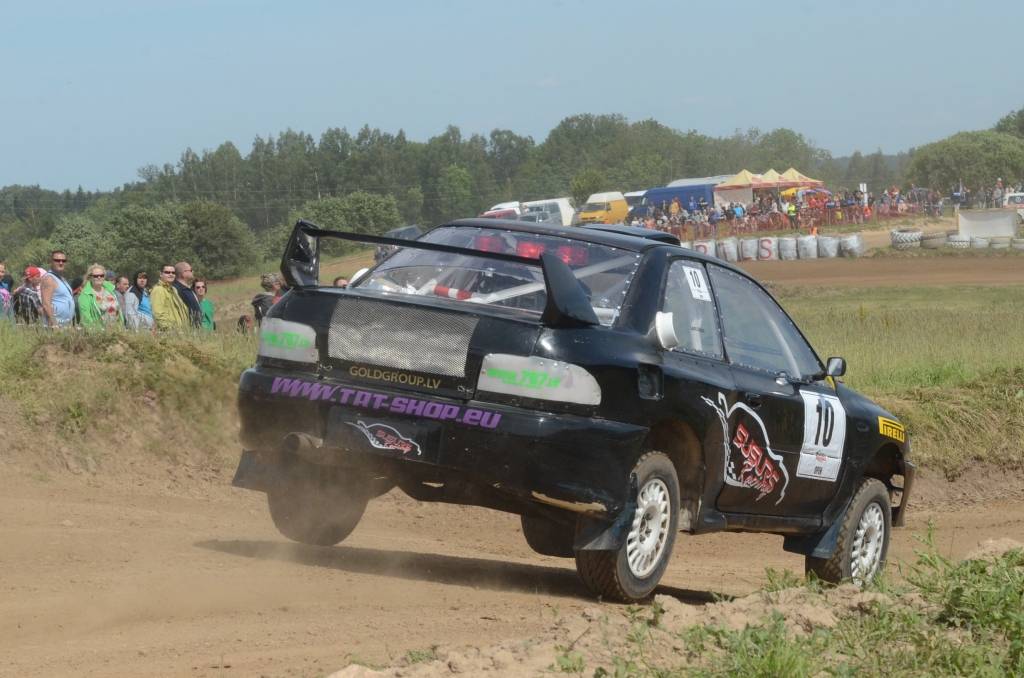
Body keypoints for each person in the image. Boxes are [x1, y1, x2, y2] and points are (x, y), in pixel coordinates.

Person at [78, 264, 122, 329]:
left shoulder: (110, 290)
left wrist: (121, 328)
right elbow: (86, 320)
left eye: (102, 275)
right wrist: (99, 332)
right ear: (90, 277)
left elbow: (119, 312)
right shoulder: (85, 295)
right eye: (96, 276)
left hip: (116, 330)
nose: (99, 277)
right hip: (98, 332)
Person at [40, 250, 76, 327]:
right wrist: (54, 325)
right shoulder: (49, 279)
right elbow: (46, 304)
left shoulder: (61, 279)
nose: (61, 263)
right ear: (51, 262)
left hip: (65, 325)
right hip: (54, 326)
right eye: (57, 260)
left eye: (63, 261)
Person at [150, 263, 190, 330]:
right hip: (169, 332)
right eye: (167, 272)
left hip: (181, 331)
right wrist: (171, 329)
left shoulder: (173, 289)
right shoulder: (158, 290)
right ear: (161, 274)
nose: (171, 274)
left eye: (173, 273)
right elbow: (158, 314)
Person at [173, 261, 202, 328]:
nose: (193, 272)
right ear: (183, 273)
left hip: (197, 328)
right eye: (191, 270)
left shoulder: (188, 289)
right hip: (188, 328)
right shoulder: (177, 289)